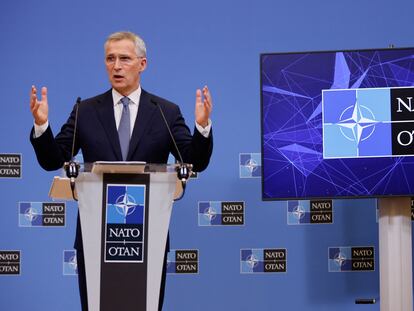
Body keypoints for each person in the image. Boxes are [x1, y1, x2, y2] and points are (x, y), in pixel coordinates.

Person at [29, 31, 213, 311]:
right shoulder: (86, 110)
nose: (116, 66)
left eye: (124, 58)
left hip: (147, 235)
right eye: (110, 59)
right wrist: (42, 127)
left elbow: (194, 161)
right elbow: (54, 159)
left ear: (142, 64)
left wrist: (202, 127)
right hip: (95, 236)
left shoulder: (165, 111)